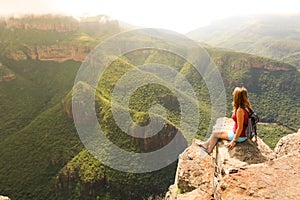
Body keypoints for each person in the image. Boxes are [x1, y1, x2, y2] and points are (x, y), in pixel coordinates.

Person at [197, 86, 252, 155]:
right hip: (241, 134)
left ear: (237, 97)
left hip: (240, 136)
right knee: (217, 130)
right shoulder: (247, 106)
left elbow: (240, 127)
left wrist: (234, 141)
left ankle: (209, 150)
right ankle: (206, 144)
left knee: (215, 133)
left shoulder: (240, 110)